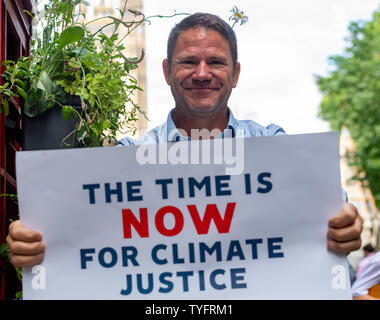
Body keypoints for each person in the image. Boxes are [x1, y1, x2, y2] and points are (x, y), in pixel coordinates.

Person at [6, 13, 363, 269]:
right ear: (166, 72)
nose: (202, 74)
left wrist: (345, 220)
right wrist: (36, 238)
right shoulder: (127, 158)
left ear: (235, 74)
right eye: (189, 61)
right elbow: (73, 227)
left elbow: (331, 208)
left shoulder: (272, 145)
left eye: (216, 63)